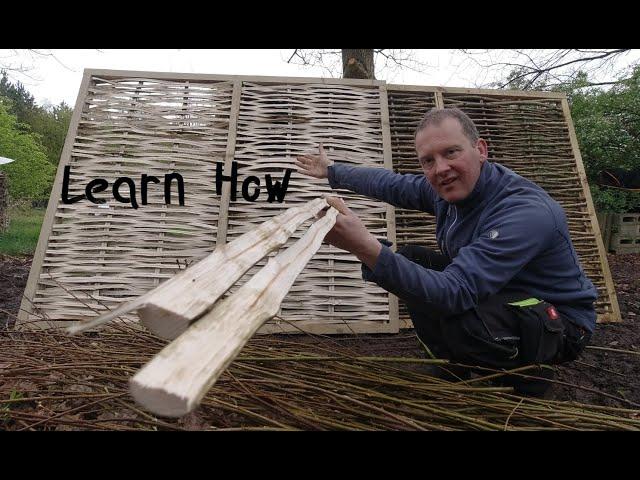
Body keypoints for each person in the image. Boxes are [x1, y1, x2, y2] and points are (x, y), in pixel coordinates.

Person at [295, 107, 597, 397]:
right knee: (412, 260)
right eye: (428, 160)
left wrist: (365, 247)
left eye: (451, 152)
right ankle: (453, 366)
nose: (440, 169)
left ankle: (529, 379)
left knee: (458, 315)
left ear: (480, 149)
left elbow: (455, 293)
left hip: (558, 320)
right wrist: (332, 172)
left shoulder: (524, 211)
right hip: (503, 292)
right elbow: (390, 184)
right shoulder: (446, 189)